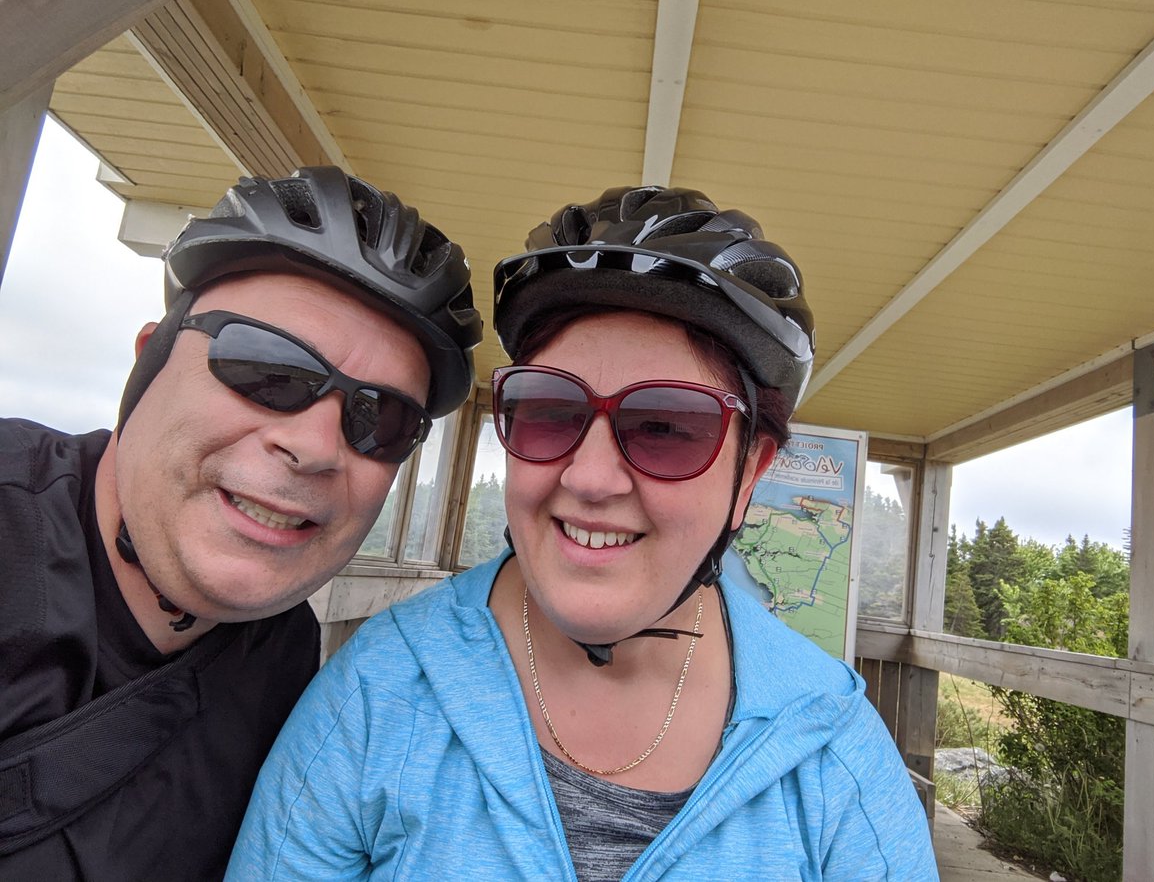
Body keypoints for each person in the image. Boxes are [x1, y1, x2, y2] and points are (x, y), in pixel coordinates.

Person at [228, 186, 937, 879]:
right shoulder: (378, 694)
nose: (591, 478)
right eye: (548, 410)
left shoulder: (830, 750)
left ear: (750, 473)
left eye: (666, 427)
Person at [0, 166, 482, 880]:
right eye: (268, 369)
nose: (316, 446)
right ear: (147, 364)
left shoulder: (291, 676)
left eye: (379, 419)